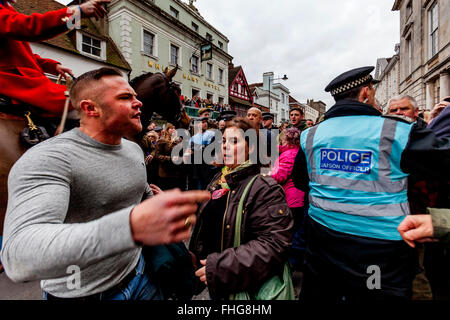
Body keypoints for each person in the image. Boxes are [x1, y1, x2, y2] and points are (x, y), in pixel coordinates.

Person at [0, 67, 210, 300]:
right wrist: (129, 227)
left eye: (135, 96)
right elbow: (18, 258)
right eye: (124, 97)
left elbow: (140, 195)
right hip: (83, 293)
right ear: (90, 108)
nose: (138, 102)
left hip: (141, 276)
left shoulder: (132, 149)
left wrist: (159, 206)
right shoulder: (50, 158)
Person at [292, 66, 450, 302]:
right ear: (366, 92)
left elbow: (301, 182)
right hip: (380, 250)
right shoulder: (396, 130)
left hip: (323, 244)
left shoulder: (311, 134)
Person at [189, 117, 293, 300]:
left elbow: (275, 243)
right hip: (216, 280)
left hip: (242, 284)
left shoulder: (265, 188)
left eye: (234, 141)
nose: (225, 146)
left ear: (251, 148)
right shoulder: (219, 178)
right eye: (223, 141)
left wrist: (223, 267)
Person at [0, 0, 110, 115]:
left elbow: (21, 53)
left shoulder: (7, 9)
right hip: (17, 84)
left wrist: (53, 66)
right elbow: (31, 27)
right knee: (85, 99)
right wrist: (77, 12)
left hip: (27, 81)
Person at [271, 127, 306, 272]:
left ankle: (290, 265)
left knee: (289, 234)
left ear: (286, 140)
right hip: (299, 199)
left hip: (292, 200)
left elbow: (279, 176)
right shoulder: (297, 152)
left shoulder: (289, 154)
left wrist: (266, 175)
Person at [155, 123, 186, 191]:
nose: (173, 130)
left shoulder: (180, 140)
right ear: (167, 130)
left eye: (174, 128)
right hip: (166, 173)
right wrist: (170, 158)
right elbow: (157, 156)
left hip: (177, 172)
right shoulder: (162, 141)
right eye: (171, 128)